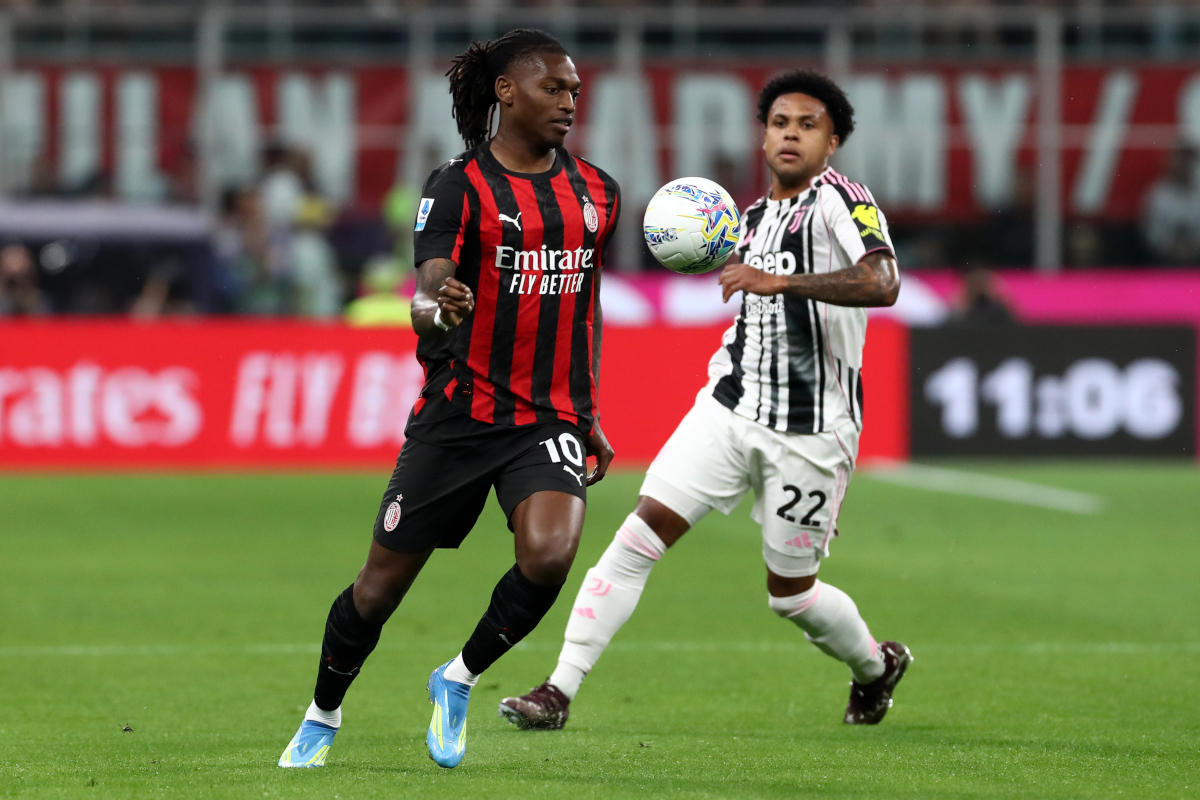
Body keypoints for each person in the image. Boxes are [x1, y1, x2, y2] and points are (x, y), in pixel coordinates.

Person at [500, 69, 911, 731]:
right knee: (635, 539)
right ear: (763, 135)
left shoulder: (842, 202)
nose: (791, 135)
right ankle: (557, 690)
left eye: (808, 126)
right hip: (730, 407)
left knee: (792, 597)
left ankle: (875, 666)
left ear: (832, 141)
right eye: (780, 123)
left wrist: (781, 281)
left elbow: (883, 280)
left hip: (811, 429)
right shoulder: (749, 216)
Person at [278, 28, 620, 770]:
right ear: (506, 91)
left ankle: (458, 676)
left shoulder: (598, 193)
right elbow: (425, 296)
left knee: (552, 554)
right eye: (552, 87)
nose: (568, 102)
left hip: (547, 418)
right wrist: (443, 307)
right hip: (459, 415)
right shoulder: (456, 188)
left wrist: (587, 413)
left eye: (574, 91)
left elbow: (583, 308)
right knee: (377, 591)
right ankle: (323, 712)